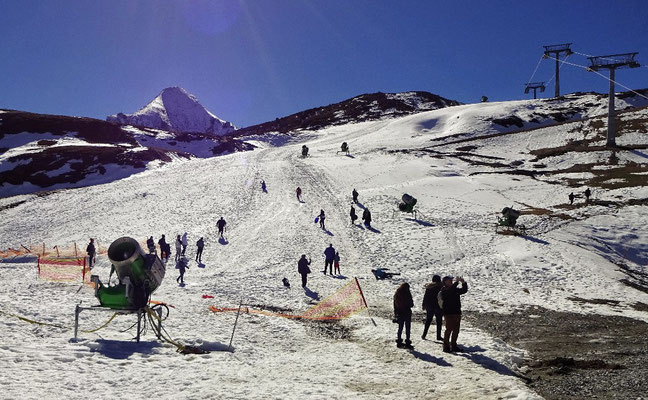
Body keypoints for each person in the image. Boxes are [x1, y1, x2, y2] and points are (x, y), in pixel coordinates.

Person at [439, 276, 468, 352]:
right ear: (445, 282)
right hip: (448, 313)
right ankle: (446, 347)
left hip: (456, 312)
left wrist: (463, 283)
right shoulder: (444, 290)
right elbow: (450, 292)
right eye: (449, 280)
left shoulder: (454, 289)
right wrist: (456, 283)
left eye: (451, 280)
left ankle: (454, 345)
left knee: (456, 330)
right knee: (449, 329)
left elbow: (464, 290)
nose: (451, 281)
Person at [422, 275, 443, 341]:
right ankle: (438, 336)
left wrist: (424, 305)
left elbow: (426, 297)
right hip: (438, 306)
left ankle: (424, 334)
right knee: (439, 321)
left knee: (428, 320)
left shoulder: (429, 287)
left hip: (429, 306)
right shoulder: (441, 287)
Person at [393, 282, 414, 349]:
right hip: (407, 312)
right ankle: (407, 341)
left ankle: (399, 341)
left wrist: (396, 313)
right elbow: (411, 304)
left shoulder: (397, 293)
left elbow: (395, 304)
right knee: (407, 328)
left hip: (400, 313)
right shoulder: (407, 293)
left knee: (400, 328)